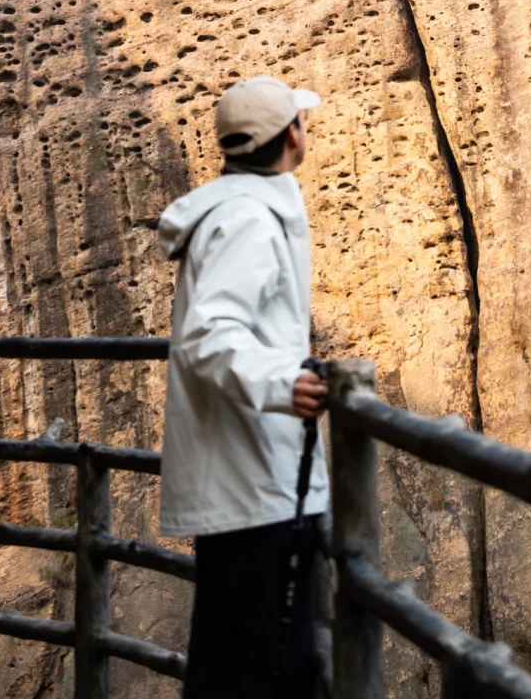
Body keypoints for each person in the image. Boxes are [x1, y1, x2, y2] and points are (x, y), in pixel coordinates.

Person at [158, 75, 330, 699]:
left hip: (241, 480)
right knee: (269, 671)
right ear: (291, 135)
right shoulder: (252, 220)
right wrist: (283, 382)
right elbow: (211, 334)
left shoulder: (236, 210)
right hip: (256, 484)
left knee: (230, 668)